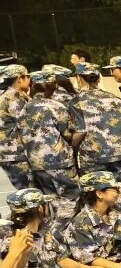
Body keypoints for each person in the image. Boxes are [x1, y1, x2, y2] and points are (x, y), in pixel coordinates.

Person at [19, 68, 79, 210]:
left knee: (51, 201)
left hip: (36, 162)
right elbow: (67, 133)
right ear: (51, 87)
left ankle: (53, 223)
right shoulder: (55, 106)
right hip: (59, 161)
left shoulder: (25, 108)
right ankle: (64, 224)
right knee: (71, 199)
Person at [70, 62, 121, 179]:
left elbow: (81, 131)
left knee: (95, 188)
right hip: (119, 153)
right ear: (98, 79)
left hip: (94, 156)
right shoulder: (115, 99)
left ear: (78, 78)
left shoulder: (77, 101)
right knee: (118, 186)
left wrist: (70, 146)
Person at [0, 63, 33, 191]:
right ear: (19, 79)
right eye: (27, 76)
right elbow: (25, 122)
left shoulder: (6, 94)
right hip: (16, 154)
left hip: (8, 153)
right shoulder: (13, 96)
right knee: (29, 193)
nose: (30, 79)